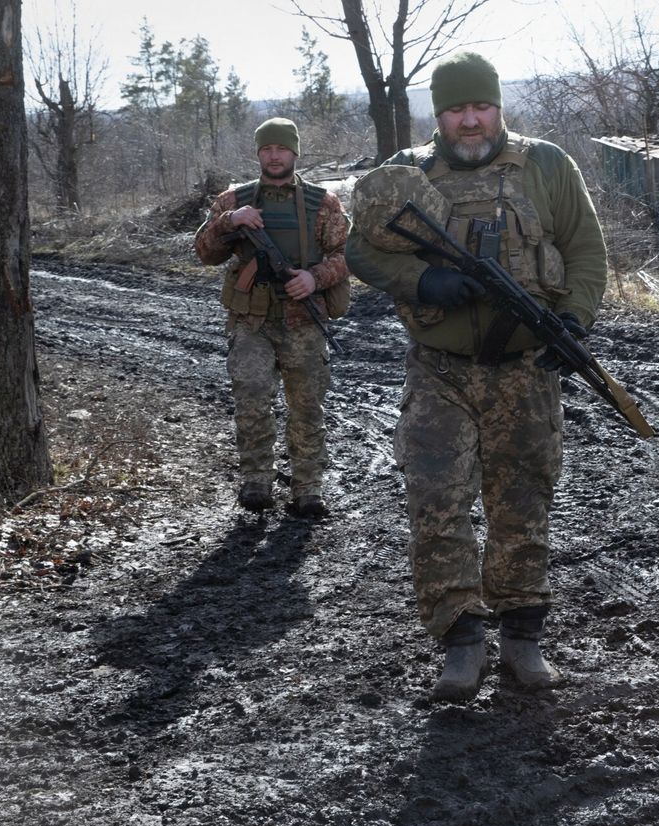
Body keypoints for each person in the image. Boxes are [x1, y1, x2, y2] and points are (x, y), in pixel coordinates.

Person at [345, 51, 608, 701]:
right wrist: (420, 278)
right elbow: (357, 246)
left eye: (481, 106)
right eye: (457, 109)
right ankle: (461, 640)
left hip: (524, 369)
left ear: (498, 107)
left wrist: (573, 317)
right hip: (441, 370)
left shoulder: (546, 164)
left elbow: (584, 248)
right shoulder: (405, 175)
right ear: (440, 113)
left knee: (523, 499)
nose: (470, 121)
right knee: (436, 499)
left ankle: (522, 635)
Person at [195, 117, 350, 519]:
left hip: (304, 318)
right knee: (251, 400)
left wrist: (314, 278)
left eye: (281, 148)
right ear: (258, 154)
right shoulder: (233, 200)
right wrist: (230, 222)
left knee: (307, 406)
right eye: (267, 149)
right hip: (251, 320)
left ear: (294, 152)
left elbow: (349, 255)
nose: (274, 155)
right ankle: (256, 482)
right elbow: (204, 253)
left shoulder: (324, 203)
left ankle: (308, 488)